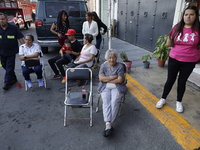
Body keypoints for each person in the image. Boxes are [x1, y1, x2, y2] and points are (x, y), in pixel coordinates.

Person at [156, 6, 200, 113]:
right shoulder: (177, 27)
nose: (188, 17)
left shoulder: (198, 30)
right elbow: (169, 42)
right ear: (183, 16)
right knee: (170, 80)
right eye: (186, 14)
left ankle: (179, 101)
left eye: (191, 14)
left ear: (196, 16)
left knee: (182, 82)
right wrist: (169, 40)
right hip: (174, 59)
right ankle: (163, 98)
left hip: (189, 61)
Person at [97, 49, 127, 137]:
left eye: (113, 57)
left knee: (114, 102)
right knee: (106, 101)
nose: (111, 60)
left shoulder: (120, 66)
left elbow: (120, 80)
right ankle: (108, 125)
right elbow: (100, 79)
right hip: (104, 87)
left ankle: (108, 124)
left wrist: (107, 78)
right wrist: (113, 77)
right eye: (109, 57)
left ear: (116, 58)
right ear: (107, 58)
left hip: (117, 87)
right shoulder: (103, 65)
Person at [0, 12, 25, 90]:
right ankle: (13, 78)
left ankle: (7, 82)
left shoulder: (13, 28)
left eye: (3, 19)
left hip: (11, 52)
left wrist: (25, 49)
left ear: (7, 20)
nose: (1, 21)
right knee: (5, 66)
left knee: (9, 67)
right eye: (0, 19)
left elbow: (20, 38)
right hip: (1, 52)